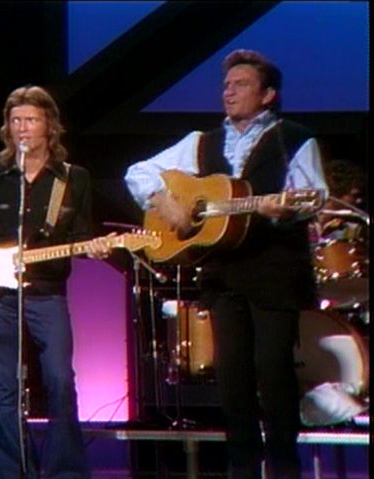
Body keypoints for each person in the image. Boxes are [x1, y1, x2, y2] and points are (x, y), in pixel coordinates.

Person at [124, 50, 328, 479]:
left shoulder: (294, 138)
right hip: (223, 273)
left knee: (273, 375)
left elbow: (312, 198)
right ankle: (241, 469)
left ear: (268, 94)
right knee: (232, 379)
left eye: (240, 85)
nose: (228, 92)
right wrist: (167, 203)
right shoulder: (202, 143)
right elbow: (138, 172)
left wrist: (285, 209)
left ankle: (285, 469)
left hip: (275, 272)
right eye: (226, 85)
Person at [0, 85, 110, 479]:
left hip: (47, 295)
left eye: (31, 120)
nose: (22, 128)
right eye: (15, 121)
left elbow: (80, 239)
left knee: (59, 379)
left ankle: (65, 471)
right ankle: (14, 471)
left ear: (49, 126)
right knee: (4, 389)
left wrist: (97, 247)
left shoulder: (73, 179)